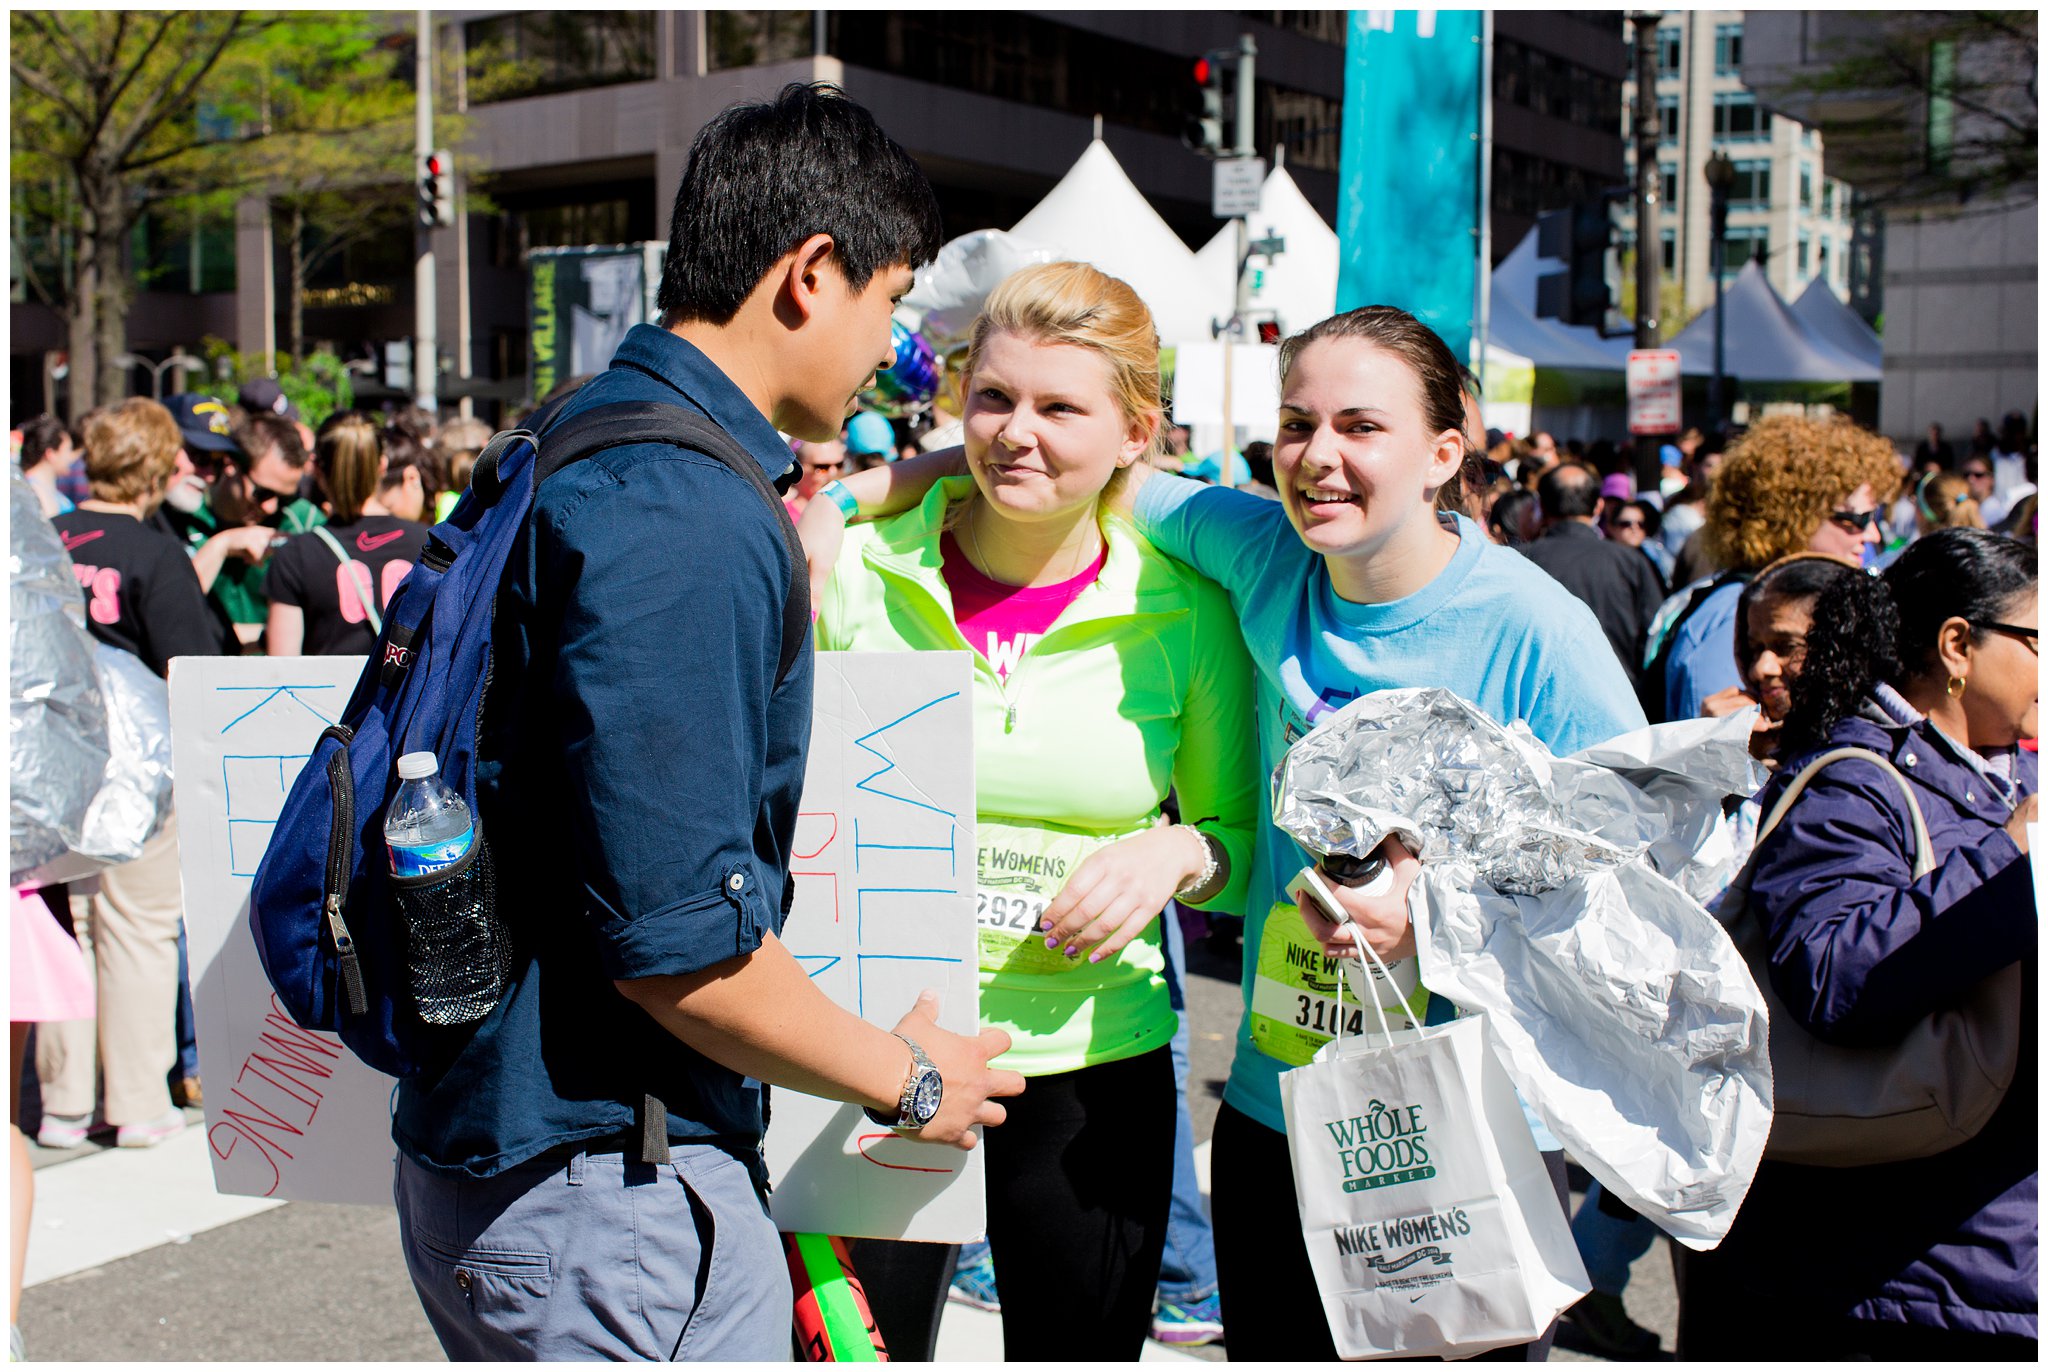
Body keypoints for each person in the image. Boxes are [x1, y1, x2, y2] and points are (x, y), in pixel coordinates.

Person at [816, 304, 1647, 1360]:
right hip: (1275, 1104)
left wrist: (1433, 909)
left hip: (1456, 1120)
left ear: (1444, 451)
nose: (1318, 459)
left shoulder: (1531, 628)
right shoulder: (1258, 552)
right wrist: (832, 503)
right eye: (1297, 425)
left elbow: (1637, 863)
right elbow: (1046, 451)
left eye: (1360, 427)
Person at [389, 83, 1024, 1363]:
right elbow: (680, 946)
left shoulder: (572, 437)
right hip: (605, 1187)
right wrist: (907, 1078)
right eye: (890, 299)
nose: (889, 344)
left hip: (523, 1161)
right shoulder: (681, 510)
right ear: (811, 273)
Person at [803, 260, 1257, 1359]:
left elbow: (1243, 850)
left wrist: (1177, 851)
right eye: (994, 396)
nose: (1016, 432)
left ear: (1133, 431)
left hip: (1095, 1068)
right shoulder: (852, 573)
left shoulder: (1183, 609)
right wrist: (830, 508)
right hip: (877, 1051)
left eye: (1060, 408)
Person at [1677, 527, 2036, 1360]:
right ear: (1958, 646)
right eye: (2037, 642)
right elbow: (1837, 976)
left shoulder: (2003, 771)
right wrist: (2013, 858)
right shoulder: (1854, 778)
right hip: (1895, 1273)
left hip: (1991, 1243)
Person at [39, 399, 233, 1152]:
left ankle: (61, 1102)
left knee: (69, 926)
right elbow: (190, 671)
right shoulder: (152, 555)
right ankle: (137, 1100)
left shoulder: (40, 539)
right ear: (153, 467)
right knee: (140, 929)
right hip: (140, 770)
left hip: (51, 764)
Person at [1647, 415, 1899, 723]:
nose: (1872, 535)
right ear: (1794, 517)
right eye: (1856, 519)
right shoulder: (1740, 613)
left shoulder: (1765, 601)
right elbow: (1723, 753)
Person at [157, 398, 325, 647]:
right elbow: (166, 612)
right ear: (231, 466)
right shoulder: (178, 513)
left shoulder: (303, 521)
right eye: (263, 493)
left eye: (286, 496)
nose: (272, 507)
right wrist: (221, 545)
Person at [263, 414, 430, 657]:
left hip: (331, 694)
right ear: (382, 465)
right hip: (406, 694)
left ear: (317, 469)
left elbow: (281, 671)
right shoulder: (428, 544)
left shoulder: (296, 556)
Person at [1520, 463, 1666, 689]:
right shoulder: (1629, 562)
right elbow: (1656, 635)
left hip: (1536, 702)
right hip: (1620, 695)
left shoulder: (1520, 560)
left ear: (1543, 507)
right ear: (1598, 507)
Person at [18, 415, 77, 518]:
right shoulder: (37, 493)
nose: (71, 457)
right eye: (68, 450)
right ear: (51, 454)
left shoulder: (41, 488)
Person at [1608, 496, 1675, 584]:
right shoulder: (1606, 559)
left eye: (1640, 524)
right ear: (1611, 527)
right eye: (1626, 524)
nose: (1634, 528)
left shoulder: (1654, 557)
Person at [782, 436, 847, 519]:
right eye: (822, 467)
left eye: (839, 465)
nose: (833, 473)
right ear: (798, 468)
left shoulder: (855, 511)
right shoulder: (784, 518)